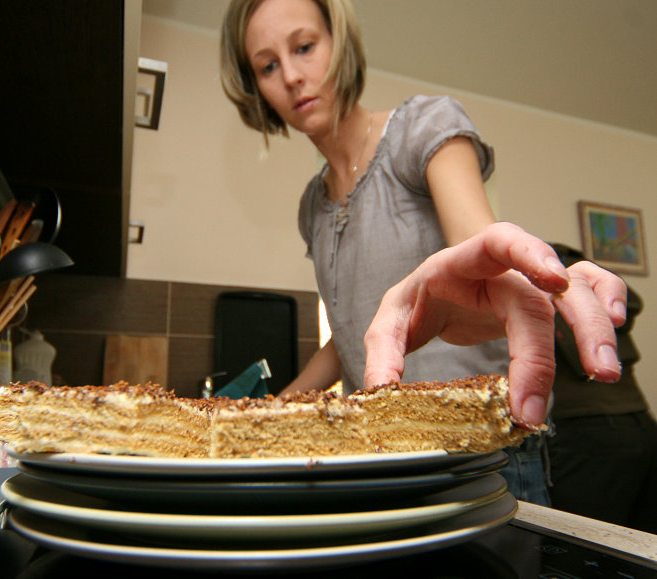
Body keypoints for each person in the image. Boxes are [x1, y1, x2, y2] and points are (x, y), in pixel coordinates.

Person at [219, 0, 626, 503]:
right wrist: (274, 407)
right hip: (381, 450)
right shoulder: (312, 207)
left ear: (340, 43)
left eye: (304, 47)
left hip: (482, 448)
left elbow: (481, 256)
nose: (292, 77)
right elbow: (351, 332)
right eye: (267, 66)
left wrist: (536, 279)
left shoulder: (423, 126)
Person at [543, 243, 656, 533]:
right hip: (639, 423)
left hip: (585, 433)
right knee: (640, 540)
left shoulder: (554, 289)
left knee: (586, 540)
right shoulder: (602, 289)